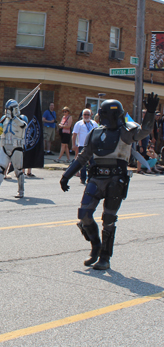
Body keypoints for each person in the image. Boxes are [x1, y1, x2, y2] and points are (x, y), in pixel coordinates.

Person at [60, 94, 159, 270]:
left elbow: (145, 130)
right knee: (84, 214)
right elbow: (83, 157)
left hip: (116, 180)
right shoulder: (96, 132)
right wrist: (67, 175)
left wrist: (150, 112)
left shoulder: (126, 131)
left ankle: (105, 257)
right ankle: (96, 246)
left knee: (108, 219)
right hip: (96, 177)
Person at [0, 99, 28, 199]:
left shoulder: (22, 118)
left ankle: (21, 191)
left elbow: (23, 126)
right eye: (7, 109)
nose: (7, 111)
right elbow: (1, 131)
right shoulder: (4, 118)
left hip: (17, 147)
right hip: (4, 147)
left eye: (10, 109)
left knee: (18, 170)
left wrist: (14, 117)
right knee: (0, 168)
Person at [72, 108, 98, 184]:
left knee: (92, 163)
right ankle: (83, 178)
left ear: (91, 115)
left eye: (88, 114)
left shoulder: (94, 124)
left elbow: (97, 134)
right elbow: (74, 135)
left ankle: (90, 178)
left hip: (92, 146)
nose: (86, 116)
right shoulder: (79, 124)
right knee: (82, 163)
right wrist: (74, 144)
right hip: (82, 146)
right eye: (85, 114)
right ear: (82, 115)